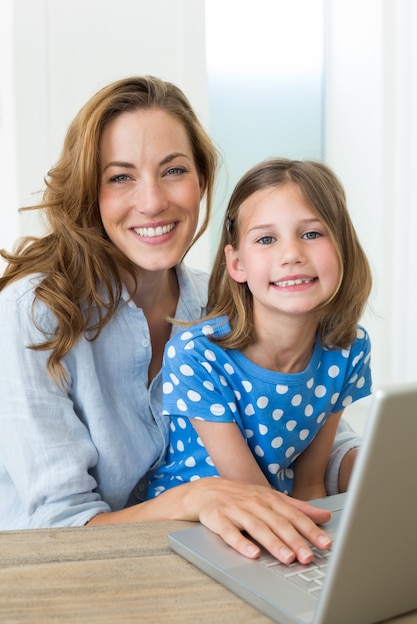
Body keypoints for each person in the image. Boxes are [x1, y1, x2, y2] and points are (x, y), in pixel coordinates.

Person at [0, 77, 359, 565]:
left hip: (200, 562)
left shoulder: (224, 303)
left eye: (173, 170)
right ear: (90, 192)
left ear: (202, 181)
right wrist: (195, 498)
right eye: (120, 177)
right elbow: (63, 527)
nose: (152, 202)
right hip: (62, 576)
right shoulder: (33, 315)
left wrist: (383, 471)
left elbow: (309, 430)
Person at [147, 158, 372, 503]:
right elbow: (253, 497)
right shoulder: (197, 355)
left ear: (342, 248)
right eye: (266, 239)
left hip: (279, 517)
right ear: (237, 264)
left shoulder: (349, 349)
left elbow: (310, 486)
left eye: (311, 233)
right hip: (191, 525)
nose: (291, 254)